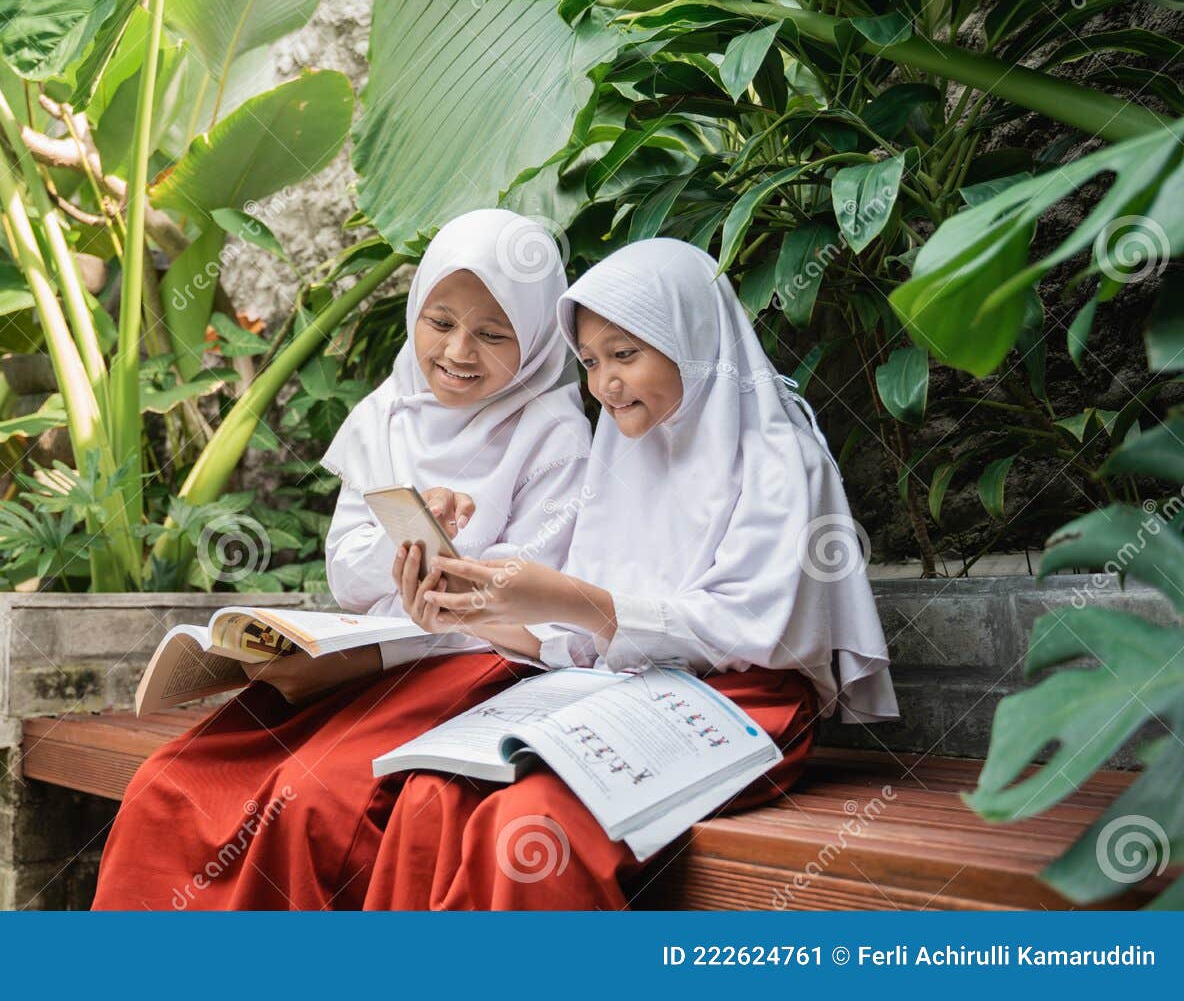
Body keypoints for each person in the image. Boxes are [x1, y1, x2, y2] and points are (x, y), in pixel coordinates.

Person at [365, 237, 899, 909]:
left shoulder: (777, 459)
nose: (603, 384)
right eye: (589, 361)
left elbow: (751, 632)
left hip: (748, 704)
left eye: (625, 354)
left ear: (693, 338)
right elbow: (584, 639)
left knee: (529, 821)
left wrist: (576, 598)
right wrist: (478, 612)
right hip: (617, 692)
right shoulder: (620, 457)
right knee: (430, 793)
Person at [89, 208, 591, 909]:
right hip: (364, 662)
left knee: (312, 805)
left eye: (493, 333)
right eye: (440, 321)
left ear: (535, 338)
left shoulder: (554, 431)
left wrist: (450, 564)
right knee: (172, 782)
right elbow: (346, 571)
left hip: (472, 668)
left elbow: (532, 595)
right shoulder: (388, 412)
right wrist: (408, 534)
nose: (458, 350)